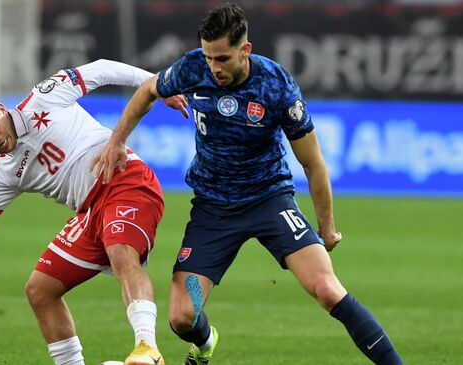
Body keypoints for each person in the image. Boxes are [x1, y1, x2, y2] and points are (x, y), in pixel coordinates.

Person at [91, 4, 404, 365]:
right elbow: (148, 89)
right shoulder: (194, 67)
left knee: (327, 290)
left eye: (222, 58)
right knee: (182, 316)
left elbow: (313, 163)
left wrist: (327, 228)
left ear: (245, 50)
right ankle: (206, 341)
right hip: (213, 212)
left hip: (271, 202)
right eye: (209, 57)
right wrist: (116, 141)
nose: (214, 67)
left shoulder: (276, 85)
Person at [0, 59, 187, 365]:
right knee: (40, 290)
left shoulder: (45, 97)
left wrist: (157, 85)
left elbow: (102, 69)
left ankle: (147, 348)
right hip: (90, 211)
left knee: (121, 253)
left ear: (1, 108)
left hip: (126, 180)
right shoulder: (4, 172)